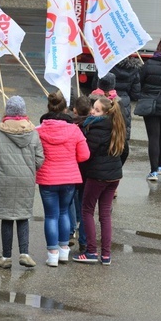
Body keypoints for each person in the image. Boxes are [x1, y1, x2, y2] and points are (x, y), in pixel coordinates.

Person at [0, 96, 44, 269]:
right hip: (26, 178)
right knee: (23, 215)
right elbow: (40, 159)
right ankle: (24, 253)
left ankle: (6, 257)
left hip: (5, 178)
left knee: (7, 217)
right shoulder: (33, 132)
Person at [36, 91, 90, 267]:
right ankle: (64, 249)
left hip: (47, 178)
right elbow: (84, 155)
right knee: (64, 212)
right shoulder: (74, 130)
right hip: (69, 177)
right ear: (66, 109)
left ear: (48, 107)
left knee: (51, 215)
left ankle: (52, 253)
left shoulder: (39, 131)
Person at [72, 97, 126, 265]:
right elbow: (125, 151)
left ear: (105, 112)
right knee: (105, 214)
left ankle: (91, 251)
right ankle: (106, 255)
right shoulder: (117, 126)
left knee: (87, 210)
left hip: (97, 175)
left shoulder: (96, 128)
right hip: (114, 175)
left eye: (96, 109)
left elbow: (87, 154)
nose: (92, 111)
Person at [136, 36, 161, 181]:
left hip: (151, 105)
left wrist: (142, 94)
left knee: (154, 137)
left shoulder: (148, 65)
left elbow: (138, 83)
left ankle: (153, 171)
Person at [69, 94, 92, 254]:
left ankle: (70, 231)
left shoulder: (70, 127)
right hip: (87, 171)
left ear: (75, 110)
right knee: (85, 206)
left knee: (69, 201)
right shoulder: (93, 126)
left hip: (72, 170)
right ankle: (83, 242)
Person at [92, 73, 130, 165]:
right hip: (113, 169)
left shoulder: (91, 102)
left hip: (93, 168)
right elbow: (124, 149)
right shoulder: (119, 104)